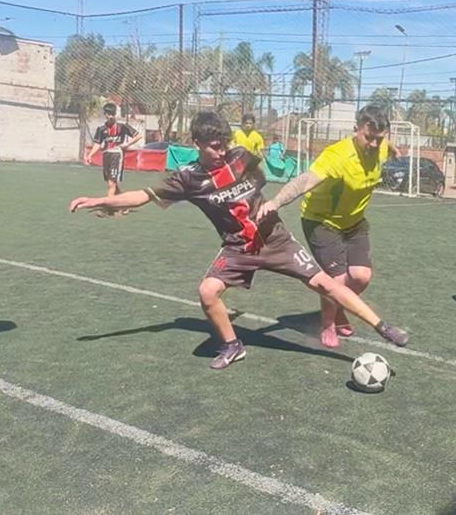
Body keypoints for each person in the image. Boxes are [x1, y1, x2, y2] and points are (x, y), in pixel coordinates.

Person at [69, 112, 409, 369]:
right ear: (197, 144)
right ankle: (233, 345)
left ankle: (383, 327)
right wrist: (100, 200)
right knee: (207, 292)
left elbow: (259, 179)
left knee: (327, 283)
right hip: (238, 248)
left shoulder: (242, 156)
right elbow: (142, 196)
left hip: (275, 239)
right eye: (214, 146)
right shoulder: (187, 179)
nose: (222, 151)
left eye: (224, 144)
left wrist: (265, 204)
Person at [257, 105, 392, 348]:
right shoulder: (337, 156)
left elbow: (386, 147)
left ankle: (337, 307)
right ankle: (328, 323)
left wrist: (392, 148)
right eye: (368, 137)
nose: (373, 144)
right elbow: (304, 181)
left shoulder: (381, 147)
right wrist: (275, 202)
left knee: (361, 277)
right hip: (321, 221)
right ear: (355, 130)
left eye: (379, 139)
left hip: (354, 222)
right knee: (337, 279)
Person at [83, 103, 141, 214]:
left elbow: (138, 136)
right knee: (112, 183)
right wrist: (90, 155)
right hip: (106, 156)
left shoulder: (122, 127)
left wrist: (126, 144)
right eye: (108, 114)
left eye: (112, 114)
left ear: (115, 114)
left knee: (111, 183)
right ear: (105, 114)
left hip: (116, 155)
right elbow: (97, 144)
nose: (110, 116)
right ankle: (125, 205)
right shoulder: (101, 129)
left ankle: (107, 208)